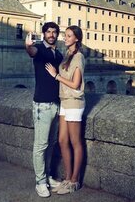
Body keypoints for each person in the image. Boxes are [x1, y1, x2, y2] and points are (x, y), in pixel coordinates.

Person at [45, 25, 85, 195]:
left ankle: (75, 181)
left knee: (75, 142)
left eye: (69, 36)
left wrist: (56, 76)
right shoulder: (67, 55)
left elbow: (76, 84)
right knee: (62, 141)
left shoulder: (79, 57)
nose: (65, 38)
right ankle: (68, 178)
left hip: (75, 102)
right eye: (65, 35)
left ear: (76, 38)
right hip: (64, 101)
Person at [25, 22, 64, 198]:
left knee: (51, 144)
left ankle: (47, 176)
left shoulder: (58, 54)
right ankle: (40, 182)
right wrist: (28, 46)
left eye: (54, 32)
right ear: (44, 34)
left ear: (57, 34)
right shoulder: (40, 49)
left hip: (56, 104)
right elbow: (32, 53)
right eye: (48, 32)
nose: (51, 34)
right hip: (42, 104)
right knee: (40, 146)